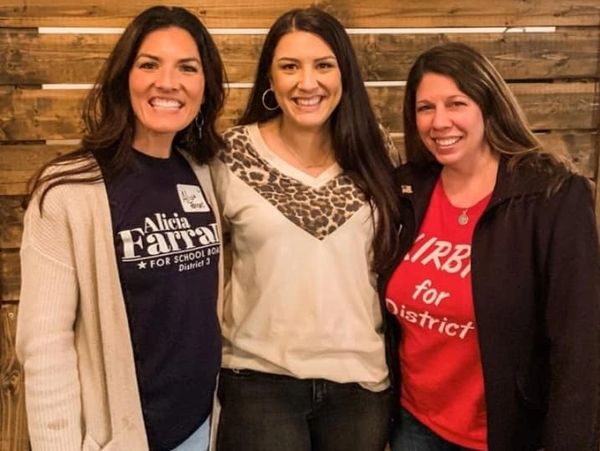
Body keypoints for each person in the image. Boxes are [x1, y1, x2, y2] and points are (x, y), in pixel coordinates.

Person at [16, 6, 226, 450]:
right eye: (149, 64)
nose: (167, 82)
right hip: (121, 437)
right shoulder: (68, 191)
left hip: (203, 427)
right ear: (123, 77)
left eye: (187, 68)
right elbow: (45, 346)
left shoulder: (203, 173)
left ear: (204, 87)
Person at [381, 42, 600, 451]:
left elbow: (579, 346)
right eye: (425, 108)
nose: (439, 121)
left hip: (508, 434)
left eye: (456, 103)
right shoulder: (406, 191)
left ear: (488, 105)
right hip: (415, 426)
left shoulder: (552, 196)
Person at [210, 7, 400, 451]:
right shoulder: (232, 153)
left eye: (323, 65)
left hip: (361, 385)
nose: (307, 82)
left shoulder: (376, 150)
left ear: (344, 74)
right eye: (290, 66)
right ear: (271, 80)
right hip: (258, 382)